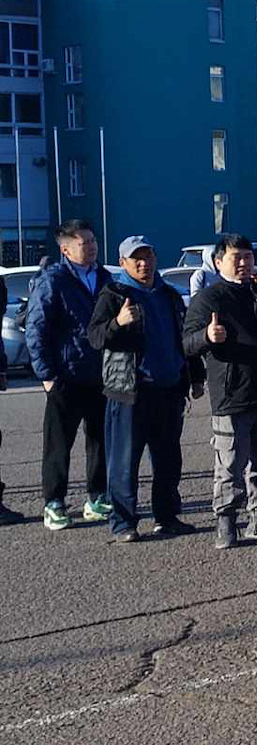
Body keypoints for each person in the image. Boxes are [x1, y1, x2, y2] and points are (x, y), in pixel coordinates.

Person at [88, 235, 200, 542]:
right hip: (130, 391)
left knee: (168, 461)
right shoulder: (114, 294)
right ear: (123, 263)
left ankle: (167, 517)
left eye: (148, 256)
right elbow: (95, 337)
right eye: (136, 258)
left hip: (169, 389)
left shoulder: (168, 294)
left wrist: (194, 376)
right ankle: (123, 523)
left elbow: (181, 338)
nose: (143, 263)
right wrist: (118, 322)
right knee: (124, 462)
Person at [183, 235, 257, 548]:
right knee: (229, 462)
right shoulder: (210, 298)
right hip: (232, 393)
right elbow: (186, 343)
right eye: (236, 257)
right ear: (219, 262)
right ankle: (226, 521)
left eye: (248, 256)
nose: (243, 262)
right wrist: (206, 336)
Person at [26, 219, 111, 529]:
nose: (91, 247)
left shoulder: (105, 278)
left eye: (93, 241)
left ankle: (97, 497)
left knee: (100, 440)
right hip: (65, 375)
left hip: (100, 374)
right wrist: (47, 375)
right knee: (58, 444)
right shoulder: (53, 280)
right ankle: (54, 502)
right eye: (83, 243)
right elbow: (36, 329)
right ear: (65, 249)